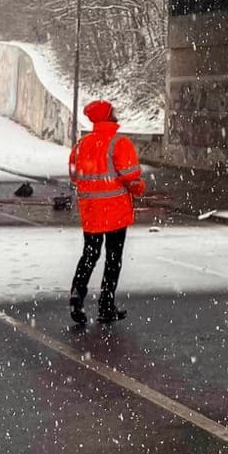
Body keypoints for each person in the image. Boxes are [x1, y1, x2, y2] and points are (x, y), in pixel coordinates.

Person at [66, 99, 145, 328]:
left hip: (91, 212)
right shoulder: (119, 143)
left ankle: (77, 294)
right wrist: (139, 188)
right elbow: (131, 177)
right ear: (109, 117)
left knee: (89, 255)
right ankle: (106, 305)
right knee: (113, 258)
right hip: (115, 211)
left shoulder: (82, 144)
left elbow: (73, 173)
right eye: (114, 112)